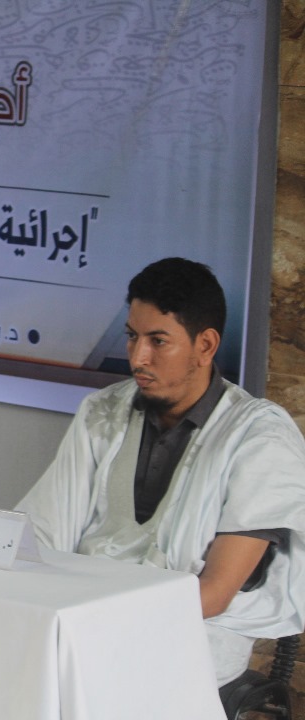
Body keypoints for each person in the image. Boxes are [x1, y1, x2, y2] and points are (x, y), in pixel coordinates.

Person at [16, 257, 305, 687]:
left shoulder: (260, 437)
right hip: (81, 617)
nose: (137, 357)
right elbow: (40, 537)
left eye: (158, 341)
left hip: (194, 635)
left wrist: (99, 619)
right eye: (132, 336)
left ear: (205, 345)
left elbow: (213, 594)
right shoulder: (102, 411)